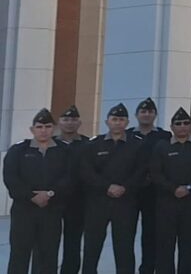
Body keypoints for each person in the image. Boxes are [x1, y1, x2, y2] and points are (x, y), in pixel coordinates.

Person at [4, 108, 73, 274]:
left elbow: (70, 177)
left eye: (48, 126)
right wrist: (31, 196)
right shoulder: (19, 150)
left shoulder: (64, 151)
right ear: (32, 129)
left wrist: (49, 194)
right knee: (19, 255)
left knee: (47, 256)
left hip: (52, 210)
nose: (44, 131)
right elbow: (11, 178)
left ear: (54, 128)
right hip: (24, 211)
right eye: (40, 127)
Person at [81, 103, 147, 274]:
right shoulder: (94, 144)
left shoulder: (138, 144)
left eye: (121, 119)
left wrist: (124, 187)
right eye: (114, 119)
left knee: (124, 246)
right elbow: (87, 171)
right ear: (107, 121)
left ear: (127, 122)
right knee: (92, 245)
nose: (118, 123)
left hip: (126, 202)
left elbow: (142, 171)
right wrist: (107, 186)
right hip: (98, 201)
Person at [150, 107, 191, 274]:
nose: (182, 126)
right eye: (178, 123)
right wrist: (173, 189)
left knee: (189, 245)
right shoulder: (161, 147)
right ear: (172, 127)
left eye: (186, 123)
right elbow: (156, 173)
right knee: (165, 245)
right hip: (166, 203)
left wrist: (189, 187)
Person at [129, 97, 172, 274]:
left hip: (155, 191)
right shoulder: (127, 135)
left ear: (155, 115)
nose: (146, 115)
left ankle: (147, 268)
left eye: (150, 112)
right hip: (131, 191)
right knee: (126, 234)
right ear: (136, 115)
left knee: (151, 233)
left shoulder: (164, 136)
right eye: (143, 112)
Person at [56, 105, 90, 274]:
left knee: (73, 243)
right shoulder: (51, 143)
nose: (70, 123)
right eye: (66, 119)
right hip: (53, 201)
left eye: (73, 120)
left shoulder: (88, 144)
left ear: (79, 122)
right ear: (59, 122)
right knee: (48, 243)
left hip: (78, 201)